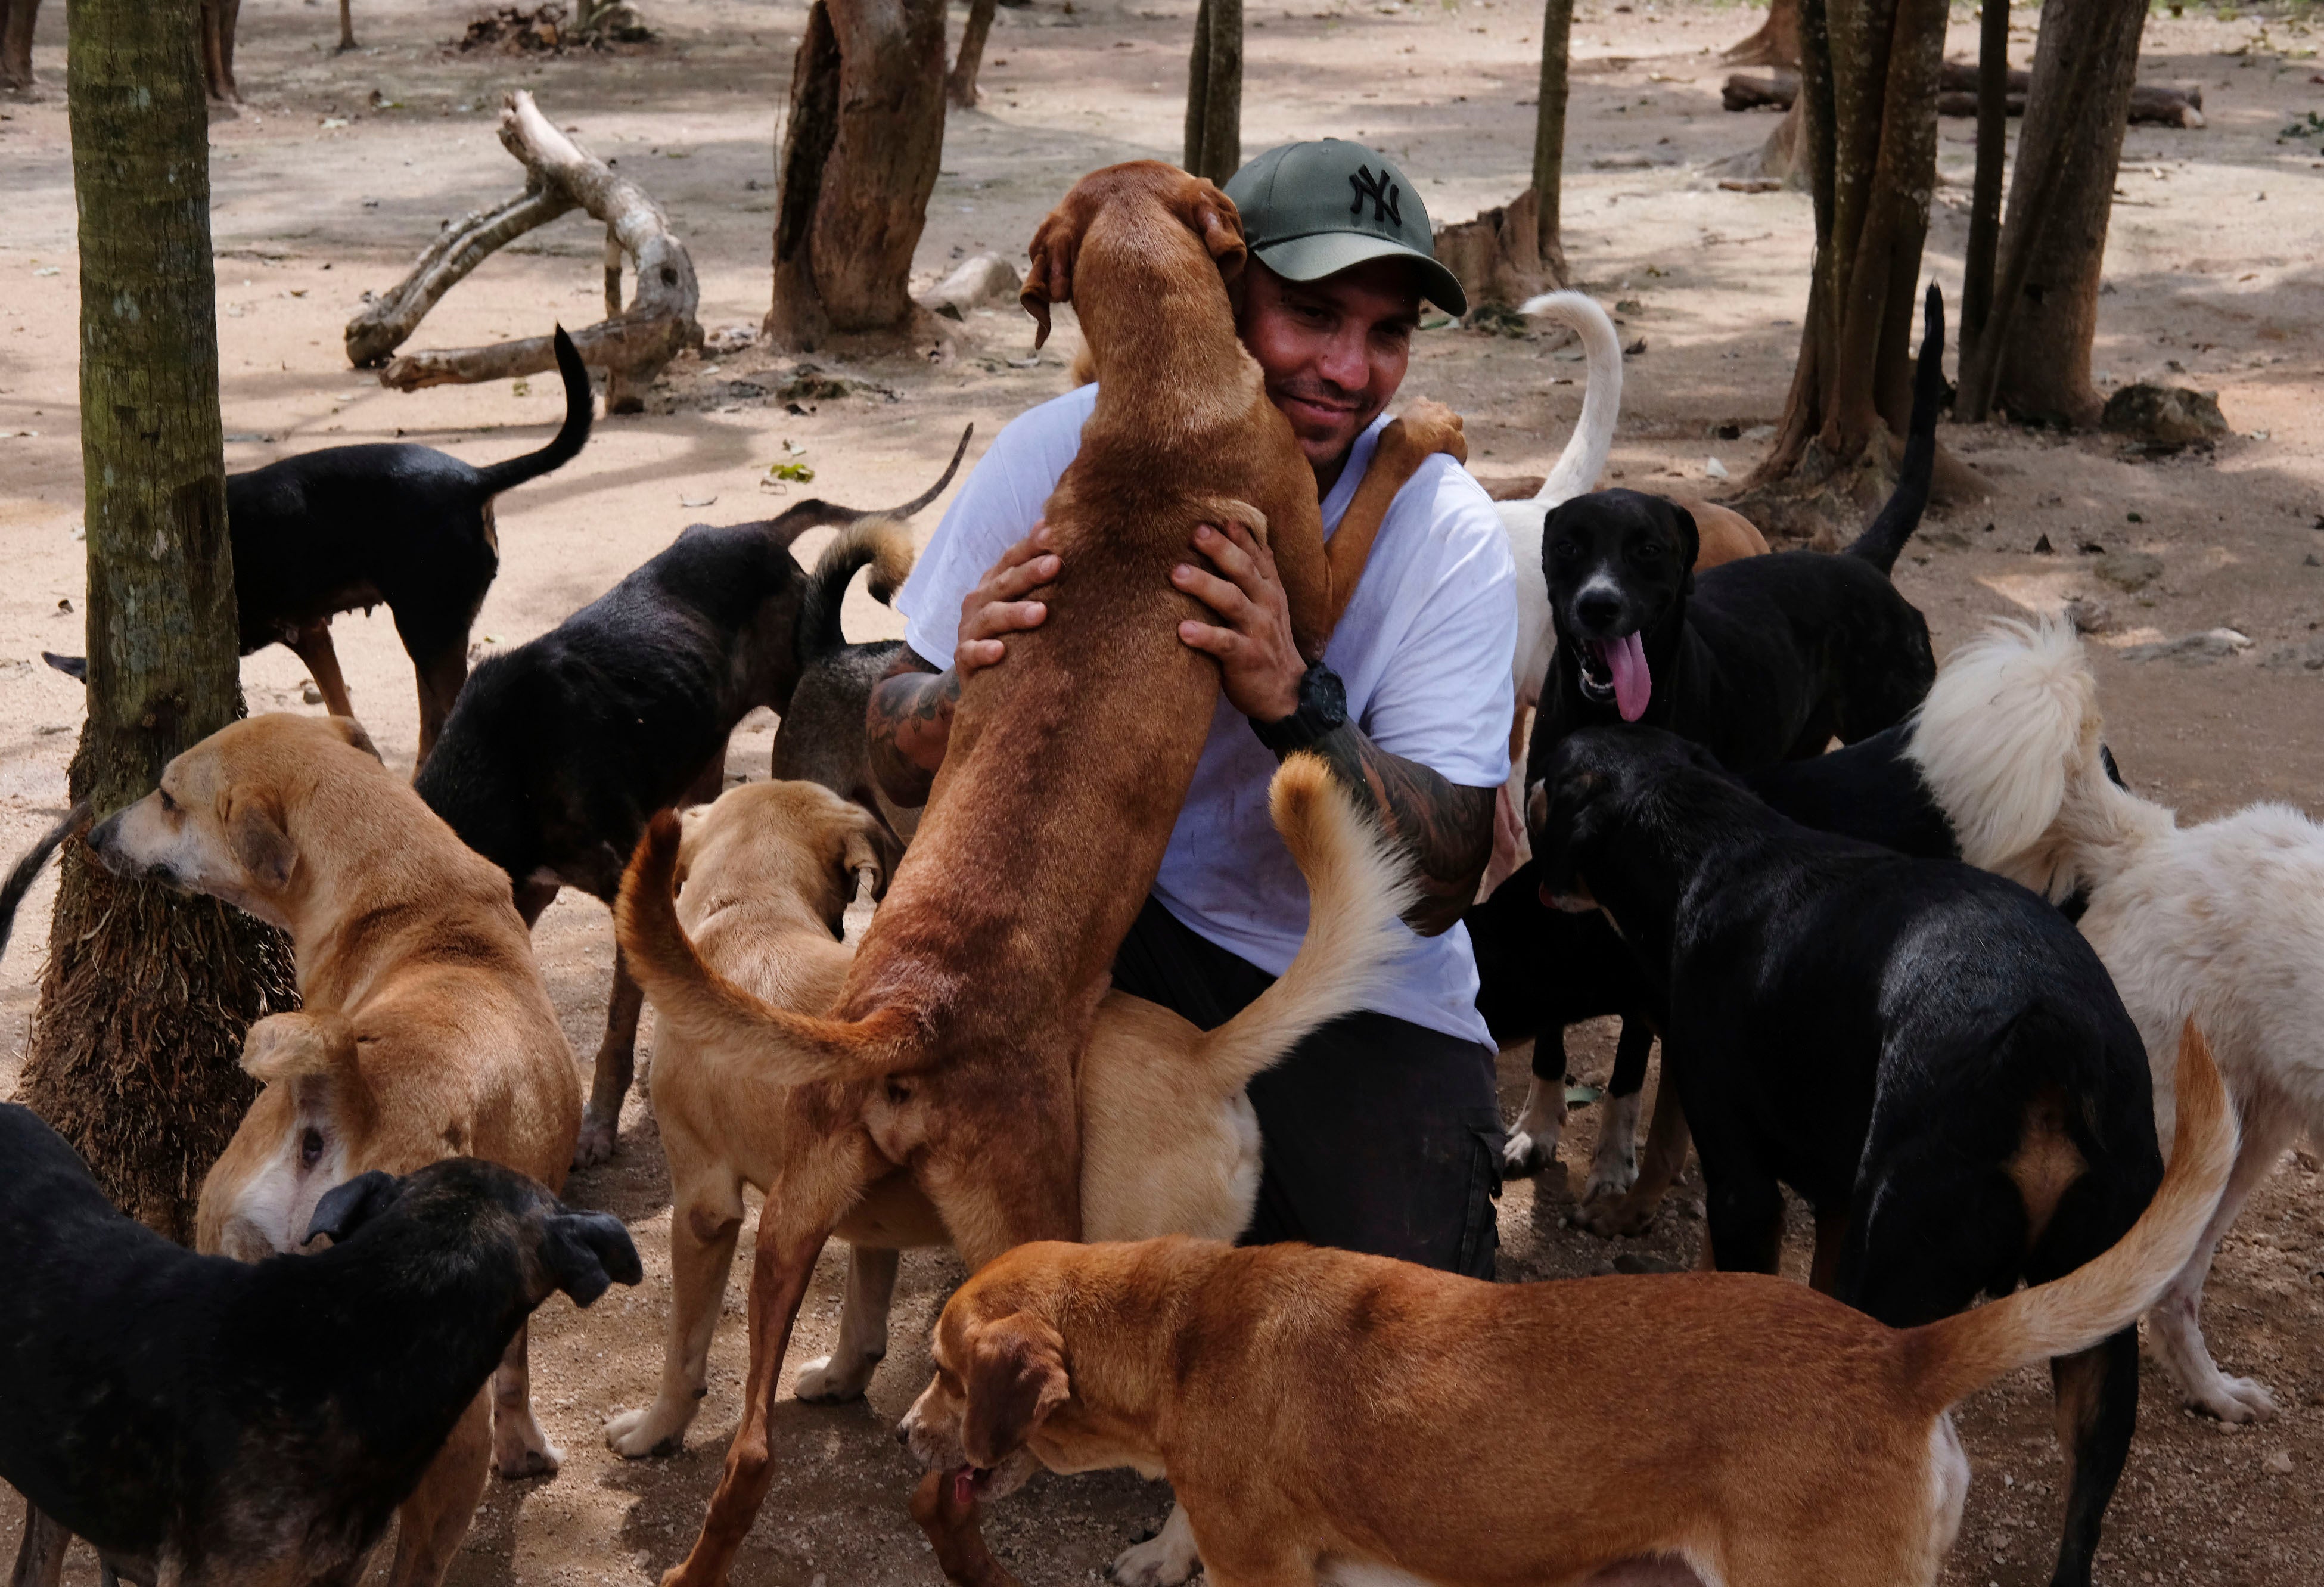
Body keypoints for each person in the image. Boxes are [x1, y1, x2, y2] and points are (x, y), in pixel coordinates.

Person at [865, 141, 1517, 1277]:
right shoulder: (1055, 453)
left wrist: (1295, 700)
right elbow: (883, 747)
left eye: (1389, 334)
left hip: (1354, 985)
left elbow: (1445, 882)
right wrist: (966, 690)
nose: (1348, 371)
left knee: (1388, 1340)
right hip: (1131, 931)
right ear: (1221, 287)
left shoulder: (1445, 527)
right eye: (1312, 314)